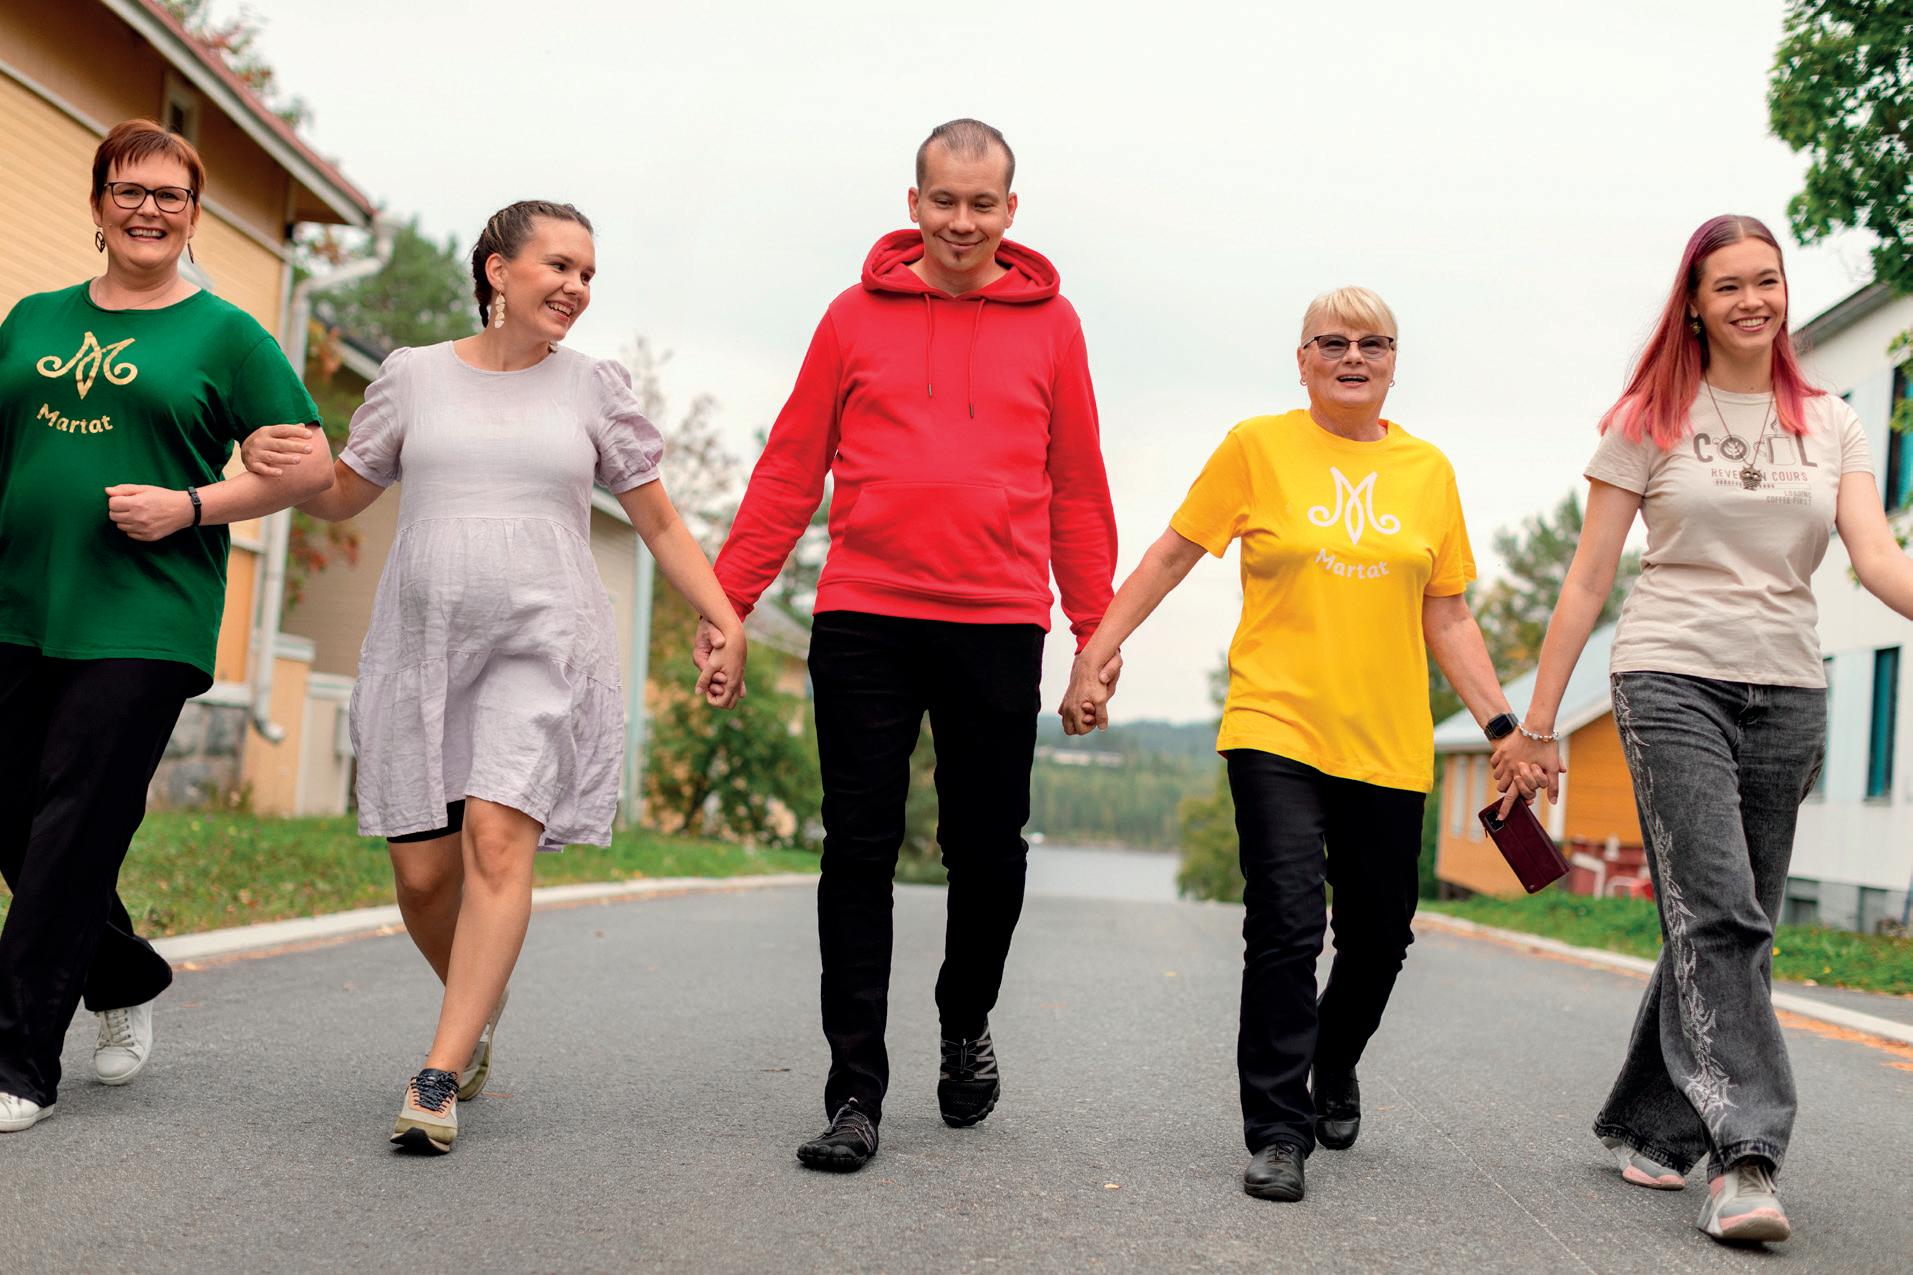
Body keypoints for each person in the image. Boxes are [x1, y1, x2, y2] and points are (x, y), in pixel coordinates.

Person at [248, 200, 746, 1154]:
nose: (576, 287)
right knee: (422, 872)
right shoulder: (412, 376)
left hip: (541, 641)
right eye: (559, 265)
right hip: (424, 644)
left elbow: (657, 520)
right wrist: (283, 464)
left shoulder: (592, 387)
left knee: (496, 836)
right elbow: (343, 494)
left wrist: (721, 615)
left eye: (588, 273)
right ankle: (477, 1000)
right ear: (496, 270)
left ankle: (436, 1073)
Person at [702, 119, 1118, 1172]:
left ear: (1010, 210)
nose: (961, 222)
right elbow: (789, 469)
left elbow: (1076, 487)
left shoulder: (1054, 325)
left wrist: (1093, 634)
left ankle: (963, 1015)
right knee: (856, 846)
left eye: (981, 204)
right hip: (865, 614)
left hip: (997, 619)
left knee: (987, 849)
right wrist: (728, 603)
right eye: (943, 201)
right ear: (913, 202)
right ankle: (854, 1091)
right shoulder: (851, 317)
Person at [1491, 214, 1913, 1244]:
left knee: (1725, 919)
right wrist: (1536, 723)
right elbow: (1587, 576)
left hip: (1788, 689)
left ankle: (1655, 1124)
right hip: (1668, 676)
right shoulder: (1648, 418)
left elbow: (1873, 556)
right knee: (1722, 914)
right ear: (1692, 303)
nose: (1750, 301)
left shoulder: (1832, 422)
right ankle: (1744, 1159)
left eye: (1766, 281)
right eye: (1726, 286)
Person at [1061, 287, 1535, 1203]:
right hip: (1274, 726)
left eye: (1372, 343)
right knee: (1283, 923)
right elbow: (1171, 553)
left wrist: (1502, 728)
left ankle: (1334, 1056)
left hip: (1386, 739)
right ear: (1302, 359)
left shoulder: (1427, 470)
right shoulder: (1256, 447)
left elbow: (1447, 612)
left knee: (1379, 936)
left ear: (1393, 362)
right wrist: (1097, 650)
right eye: (1332, 342)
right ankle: (1278, 1130)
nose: (1353, 357)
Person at [0, 119, 336, 1133]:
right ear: (98, 203)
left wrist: (191, 505)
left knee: (75, 825)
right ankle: (122, 970)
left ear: (194, 216)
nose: (148, 209)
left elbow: (312, 470)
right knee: (14, 813)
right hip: (20, 602)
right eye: (128, 190)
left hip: (144, 618)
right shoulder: (33, 318)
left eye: (170, 195)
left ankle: (19, 1062)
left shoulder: (228, 336)